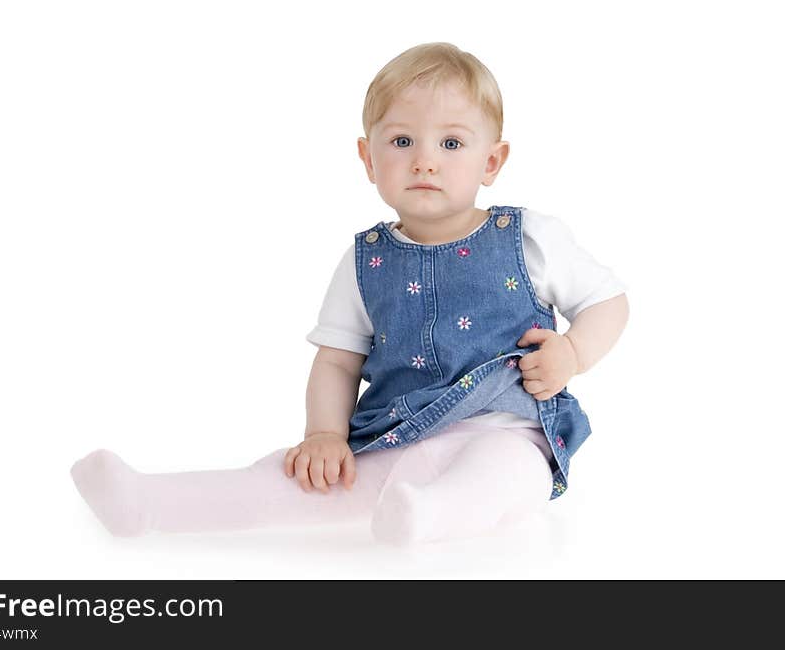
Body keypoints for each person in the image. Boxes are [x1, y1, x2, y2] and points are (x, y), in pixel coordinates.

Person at [70, 42, 629, 546]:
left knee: (504, 474)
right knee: (298, 480)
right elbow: (337, 363)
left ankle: (429, 517)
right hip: (397, 434)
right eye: (402, 140)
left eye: (451, 142)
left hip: (510, 432)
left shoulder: (529, 237)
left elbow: (607, 301)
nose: (425, 159)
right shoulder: (366, 261)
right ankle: (148, 504)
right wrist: (324, 435)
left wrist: (572, 353)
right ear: (368, 159)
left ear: (492, 161)